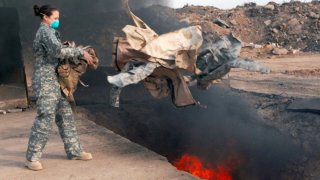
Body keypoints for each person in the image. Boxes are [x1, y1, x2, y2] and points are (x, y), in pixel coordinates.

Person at [25, 4, 94, 171]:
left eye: (58, 18)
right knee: (45, 117)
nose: (57, 21)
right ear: (46, 17)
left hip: (56, 80)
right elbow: (57, 51)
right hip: (46, 81)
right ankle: (32, 157)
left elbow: (58, 48)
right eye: (55, 18)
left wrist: (70, 48)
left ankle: (74, 151)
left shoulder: (50, 31)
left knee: (65, 115)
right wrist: (80, 52)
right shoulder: (45, 31)